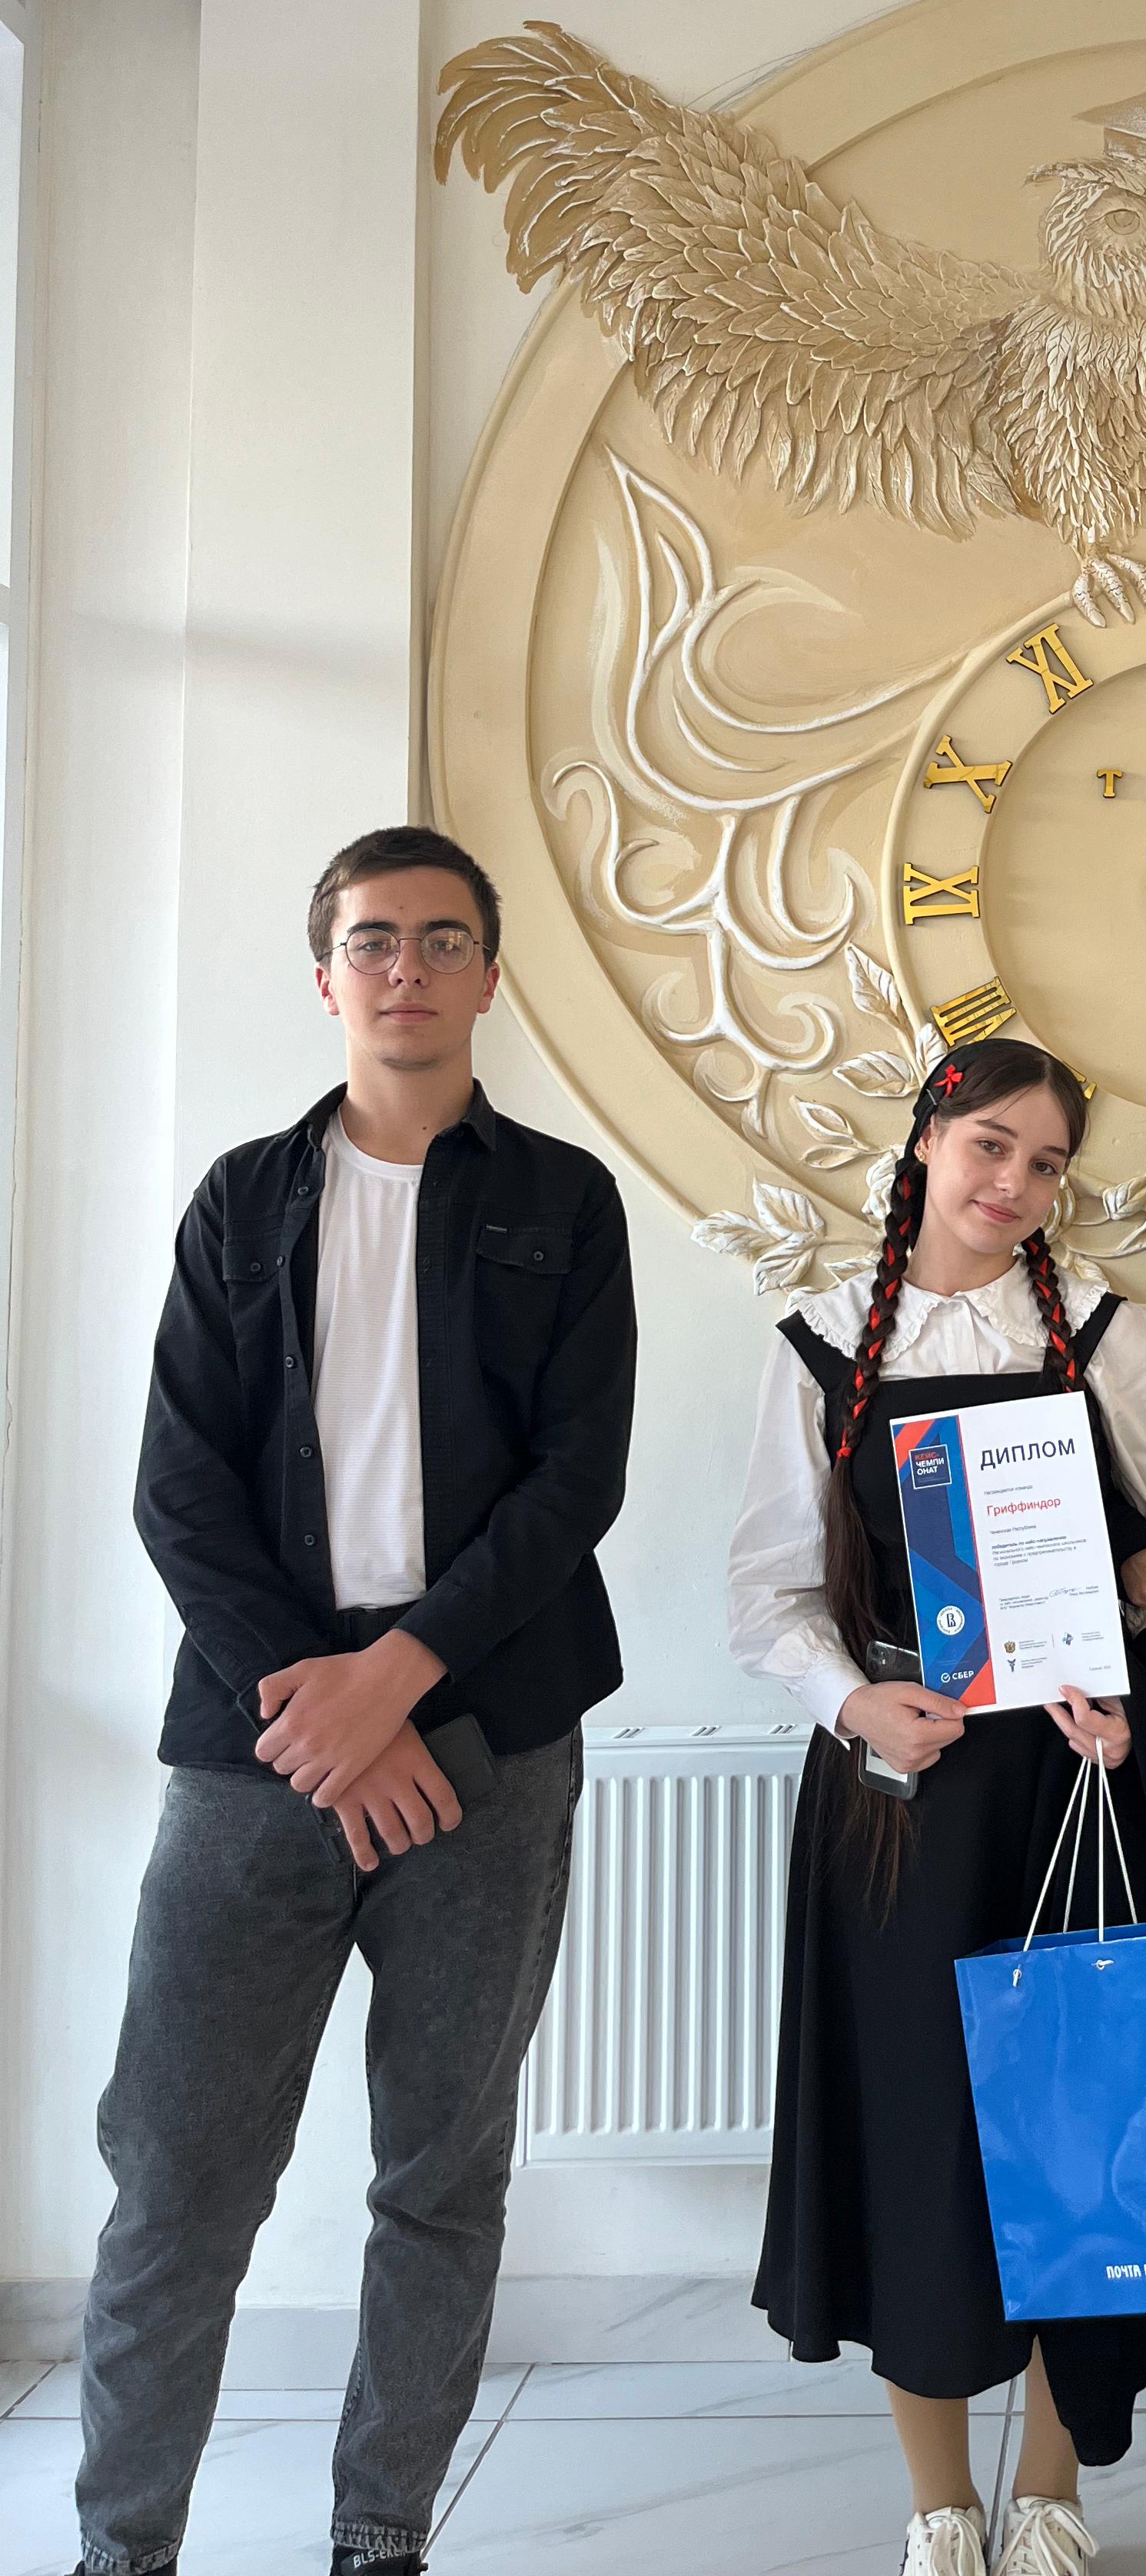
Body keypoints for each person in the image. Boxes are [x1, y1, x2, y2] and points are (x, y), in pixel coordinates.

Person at [74, 824, 636, 2576]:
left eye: (442, 939)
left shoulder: (566, 1202)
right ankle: (122, 2549)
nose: (407, 968)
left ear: (490, 976)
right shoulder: (241, 1200)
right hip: (259, 1750)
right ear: (326, 976)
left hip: (488, 1746)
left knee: (440, 2179)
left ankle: (380, 2536)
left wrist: (396, 1681)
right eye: (375, 940)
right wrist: (315, 1710)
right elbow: (178, 1489)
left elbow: (575, 1481)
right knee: (176, 2180)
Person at [728, 1035, 1146, 2576]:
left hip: (1070, 1781)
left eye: (1046, 1163)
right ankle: (939, 2500)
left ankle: (1053, 2482)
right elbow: (767, 1592)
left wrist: (1139, 1647)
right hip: (898, 1795)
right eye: (991, 1146)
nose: (1014, 1184)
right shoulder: (817, 1341)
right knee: (916, 2136)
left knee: (1083, 2129)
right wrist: (853, 1703)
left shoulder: (1109, 1331)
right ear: (927, 1141)